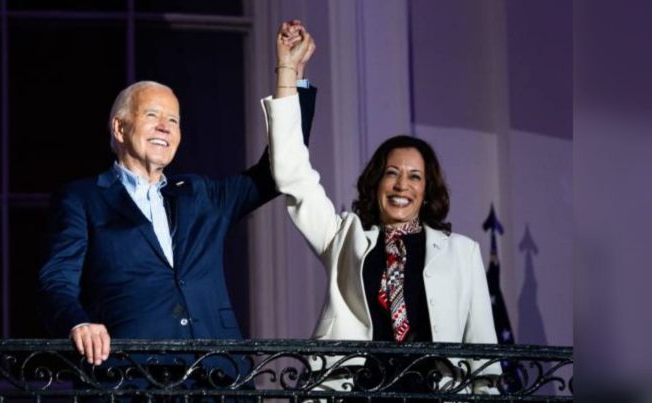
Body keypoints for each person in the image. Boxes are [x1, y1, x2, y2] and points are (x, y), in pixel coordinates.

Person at [37, 20, 317, 371]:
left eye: (174, 119)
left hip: (218, 378)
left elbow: (279, 170)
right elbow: (56, 281)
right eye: (152, 115)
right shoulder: (82, 198)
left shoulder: (200, 194)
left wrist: (289, 74)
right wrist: (78, 324)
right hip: (133, 377)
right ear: (119, 127)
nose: (165, 127)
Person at [263, 24, 501, 397]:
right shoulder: (343, 238)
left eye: (414, 177)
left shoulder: (463, 253)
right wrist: (288, 73)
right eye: (392, 173)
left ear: (427, 190)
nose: (402, 185)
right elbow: (293, 175)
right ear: (376, 184)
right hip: (356, 392)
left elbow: (484, 360)